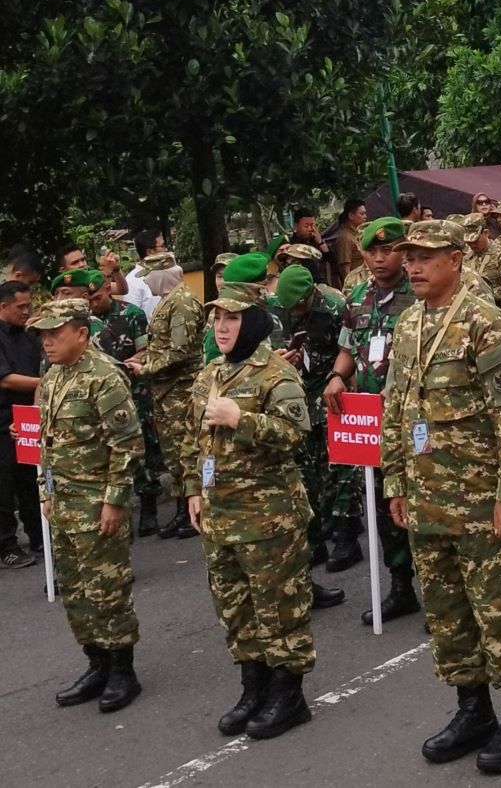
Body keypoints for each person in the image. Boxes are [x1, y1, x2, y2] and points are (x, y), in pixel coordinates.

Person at [381, 219, 501, 774]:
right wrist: (395, 483)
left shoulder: (483, 322)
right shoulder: (407, 325)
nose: (414, 266)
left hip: (480, 501)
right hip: (427, 502)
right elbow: (397, 410)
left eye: (426, 257)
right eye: (409, 257)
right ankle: (472, 709)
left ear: (455, 259)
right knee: (448, 616)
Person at [182, 280, 315, 740]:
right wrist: (193, 488)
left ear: (253, 322)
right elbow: (192, 439)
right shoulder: (209, 374)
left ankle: (289, 693)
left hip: (268, 515)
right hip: (219, 513)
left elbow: (298, 433)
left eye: (232, 318)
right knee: (235, 608)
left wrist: (243, 419)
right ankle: (253, 686)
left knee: (278, 606)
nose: (221, 327)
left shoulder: (275, 374)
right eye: (217, 318)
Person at [32, 299, 144, 713]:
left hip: (97, 503)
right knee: (76, 591)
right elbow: (45, 440)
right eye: (43, 335)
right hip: (63, 503)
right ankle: (96, 663)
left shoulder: (104, 377)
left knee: (107, 589)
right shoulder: (54, 375)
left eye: (54, 333)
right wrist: (44, 491)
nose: (47, 342)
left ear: (81, 333)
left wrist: (115, 502)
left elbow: (127, 446)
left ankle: (122, 670)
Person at [324, 217, 421, 624]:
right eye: (373, 252)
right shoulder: (359, 297)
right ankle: (401, 587)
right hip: (371, 421)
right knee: (384, 507)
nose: (381, 259)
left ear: (404, 252)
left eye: (390, 250)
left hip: (414, 417)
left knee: (421, 503)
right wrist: (335, 376)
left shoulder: (418, 296)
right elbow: (350, 348)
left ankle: (443, 593)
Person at [268, 264, 349, 609]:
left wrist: (338, 376)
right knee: (307, 472)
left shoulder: (334, 305)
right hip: (299, 395)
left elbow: (350, 349)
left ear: (309, 296)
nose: (295, 315)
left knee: (341, 466)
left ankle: (346, 535)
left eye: (299, 308)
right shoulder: (280, 310)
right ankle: (315, 541)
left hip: (333, 391)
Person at [124, 252, 205, 541]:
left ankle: (192, 510)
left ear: (163, 274)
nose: (146, 283)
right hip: (167, 390)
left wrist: (146, 368)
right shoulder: (169, 301)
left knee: (185, 451)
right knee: (174, 453)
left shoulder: (181, 302)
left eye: (149, 277)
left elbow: (180, 352)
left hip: (180, 389)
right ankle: (184, 509)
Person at [87, 268, 165, 537]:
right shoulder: (83, 321)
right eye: (88, 299)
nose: (92, 303)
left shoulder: (131, 314)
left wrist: (137, 360)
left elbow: (146, 348)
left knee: (142, 448)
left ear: (108, 289)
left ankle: (149, 507)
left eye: (96, 297)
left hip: (135, 392)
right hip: (102, 398)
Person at [0, 279, 41, 568]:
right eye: (20, 307)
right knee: (5, 486)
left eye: (29, 305)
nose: (26, 311)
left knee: (31, 479)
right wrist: (45, 383)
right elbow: (5, 379)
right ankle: (6, 546)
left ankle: (38, 535)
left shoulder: (26, 334)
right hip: (3, 422)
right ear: (3, 307)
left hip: (27, 417)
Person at [289, 207, 334, 284]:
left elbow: (331, 259)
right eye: (306, 226)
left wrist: (320, 243)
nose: (310, 229)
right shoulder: (291, 245)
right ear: (296, 226)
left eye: (312, 225)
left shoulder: (316, 241)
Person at [334, 198, 368, 288]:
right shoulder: (345, 238)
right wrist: (351, 288)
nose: (365, 216)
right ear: (351, 215)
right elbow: (345, 269)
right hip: (356, 285)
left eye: (365, 213)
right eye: (362, 213)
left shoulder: (359, 235)